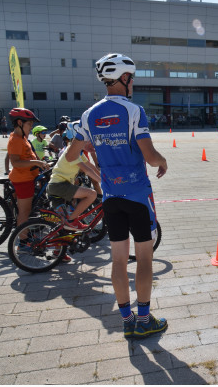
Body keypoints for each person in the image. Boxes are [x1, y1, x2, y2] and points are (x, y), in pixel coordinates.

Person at [66, 53, 168, 339]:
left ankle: (127, 321)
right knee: (145, 258)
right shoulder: (134, 111)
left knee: (118, 261)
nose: (132, 82)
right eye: (131, 78)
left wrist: (94, 150)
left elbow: (72, 154)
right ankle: (145, 319)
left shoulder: (88, 115)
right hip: (137, 195)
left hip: (111, 197)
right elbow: (149, 157)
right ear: (124, 79)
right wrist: (164, 161)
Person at [7, 108, 51, 232]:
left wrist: (41, 162)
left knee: (26, 211)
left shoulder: (22, 138)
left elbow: (28, 156)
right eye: (29, 124)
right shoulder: (16, 140)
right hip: (22, 179)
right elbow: (15, 162)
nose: (31, 127)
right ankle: (23, 241)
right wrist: (36, 162)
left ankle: (24, 237)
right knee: (24, 213)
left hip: (28, 177)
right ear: (20, 123)